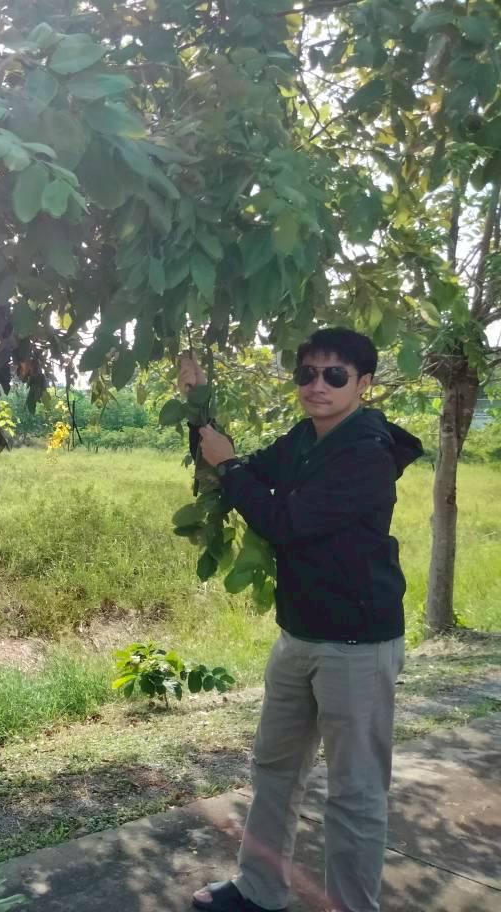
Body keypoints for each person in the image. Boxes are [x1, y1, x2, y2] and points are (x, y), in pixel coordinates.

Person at [183, 328, 423, 912]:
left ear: (363, 385)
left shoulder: (367, 453)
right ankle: (259, 890)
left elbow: (284, 520)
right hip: (300, 633)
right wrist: (197, 407)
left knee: (355, 794)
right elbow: (235, 467)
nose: (318, 386)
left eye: (335, 375)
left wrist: (232, 465)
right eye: (307, 374)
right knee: (274, 769)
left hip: (357, 644)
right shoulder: (304, 439)